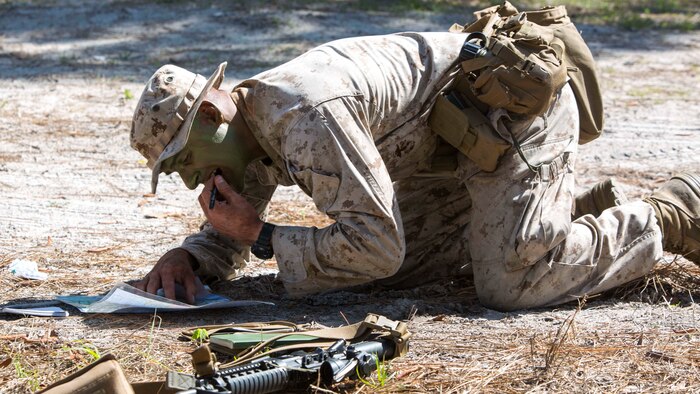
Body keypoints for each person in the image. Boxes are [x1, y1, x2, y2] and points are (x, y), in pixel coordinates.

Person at [129, 29, 699, 311]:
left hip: (515, 122)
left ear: (210, 113)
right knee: (385, 276)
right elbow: (229, 234)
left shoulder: (303, 116)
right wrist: (190, 258)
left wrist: (262, 236)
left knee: (510, 286)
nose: (186, 179)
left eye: (182, 160)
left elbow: (376, 242)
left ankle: (669, 213)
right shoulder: (249, 129)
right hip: (458, 153)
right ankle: (568, 215)